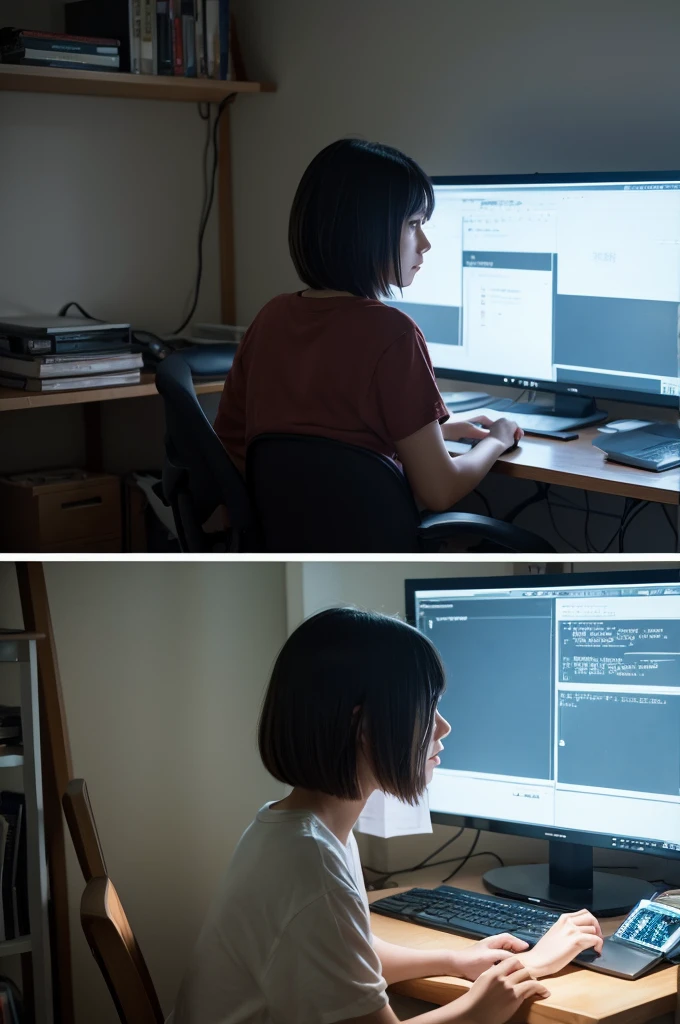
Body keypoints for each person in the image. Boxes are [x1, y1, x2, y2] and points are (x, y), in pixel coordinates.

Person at [170, 608, 603, 1024]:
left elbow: (352, 951)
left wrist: (456, 960)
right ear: (365, 727)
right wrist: (491, 997)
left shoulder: (299, 828)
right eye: (427, 707)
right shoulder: (311, 865)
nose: (443, 727)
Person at [214, 139, 522, 513]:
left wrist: (437, 430)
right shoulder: (394, 335)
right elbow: (439, 491)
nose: (425, 243)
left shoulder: (271, 318)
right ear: (366, 230)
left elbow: (252, 445)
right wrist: (498, 440)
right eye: (412, 224)